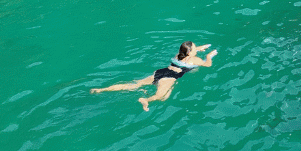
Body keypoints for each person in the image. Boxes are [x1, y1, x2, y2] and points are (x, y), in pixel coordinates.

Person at [90, 41, 218, 111]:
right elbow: (207, 65)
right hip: (170, 78)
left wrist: (199, 48)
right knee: (161, 97)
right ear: (190, 52)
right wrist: (209, 56)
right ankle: (146, 100)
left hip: (161, 72)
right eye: (195, 48)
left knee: (135, 84)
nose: (197, 49)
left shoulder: (177, 55)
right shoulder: (194, 60)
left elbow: (187, 53)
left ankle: (102, 89)